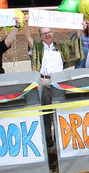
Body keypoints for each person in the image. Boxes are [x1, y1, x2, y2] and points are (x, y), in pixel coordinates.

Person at [23, 16, 65, 148]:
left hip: (58, 82)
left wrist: (81, 29)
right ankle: (48, 136)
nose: (47, 35)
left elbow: (74, 46)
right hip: (44, 81)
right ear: (40, 36)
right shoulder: (37, 48)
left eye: (49, 32)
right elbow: (28, 38)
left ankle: (59, 135)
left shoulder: (59, 47)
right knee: (46, 111)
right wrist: (25, 25)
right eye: (44, 33)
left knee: (59, 111)